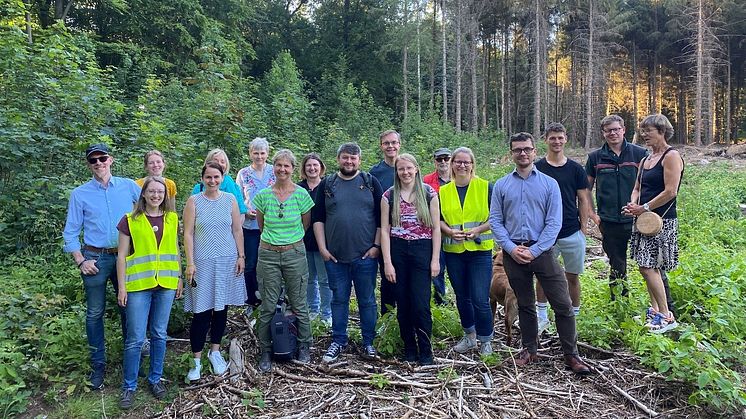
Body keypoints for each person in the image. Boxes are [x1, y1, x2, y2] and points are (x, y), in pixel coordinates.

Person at [489, 132, 590, 375]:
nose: (522, 153)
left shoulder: (548, 184)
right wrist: (512, 249)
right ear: (511, 153)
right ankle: (529, 349)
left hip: (543, 251)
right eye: (517, 150)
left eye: (527, 149)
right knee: (525, 304)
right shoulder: (502, 185)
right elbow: (495, 220)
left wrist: (534, 250)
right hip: (513, 252)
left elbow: (554, 223)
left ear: (535, 151)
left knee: (563, 303)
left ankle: (571, 354)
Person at [62, 143, 140, 390]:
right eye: (93, 160)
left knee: (129, 307)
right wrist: (81, 260)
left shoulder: (129, 186)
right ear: (88, 164)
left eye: (102, 158)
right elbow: (71, 231)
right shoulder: (80, 194)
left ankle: (133, 357)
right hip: (94, 257)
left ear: (111, 159)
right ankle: (98, 364)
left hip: (126, 256)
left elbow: (149, 212)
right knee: (95, 313)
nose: (98, 163)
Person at [585, 116, 675, 312]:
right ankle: (619, 306)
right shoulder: (595, 157)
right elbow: (585, 189)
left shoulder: (639, 154)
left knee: (652, 264)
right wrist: (592, 214)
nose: (613, 133)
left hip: (640, 220)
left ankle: (667, 308)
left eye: (616, 129)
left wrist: (643, 209)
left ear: (624, 130)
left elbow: (657, 186)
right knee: (617, 266)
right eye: (608, 130)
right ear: (603, 133)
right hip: (609, 221)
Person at [115, 176, 182, 409]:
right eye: (151, 191)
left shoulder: (172, 218)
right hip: (139, 286)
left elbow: (175, 250)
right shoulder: (130, 220)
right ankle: (129, 386)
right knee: (135, 339)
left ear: (165, 196)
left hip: (165, 284)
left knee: (159, 334)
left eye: (160, 192)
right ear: (143, 194)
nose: (156, 195)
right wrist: (122, 286)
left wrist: (179, 277)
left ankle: (155, 379)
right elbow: (121, 256)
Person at [313, 143, 383, 362]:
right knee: (339, 300)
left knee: (367, 301)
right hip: (335, 258)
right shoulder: (327, 184)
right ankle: (338, 340)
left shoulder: (370, 183)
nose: (349, 162)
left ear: (359, 161)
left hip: (365, 257)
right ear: (338, 159)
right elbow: (318, 219)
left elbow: (383, 218)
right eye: (345, 158)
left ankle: (369, 342)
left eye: (353, 159)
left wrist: (376, 247)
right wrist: (323, 249)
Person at [183, 162, 247, 381]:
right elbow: (188, 234)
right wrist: (190, 262)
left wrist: (241, 256)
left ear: (222, 178)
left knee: (221, 309)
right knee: (201, 312)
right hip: (202, 262)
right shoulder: (194, 201)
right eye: (208, 177)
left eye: (216, 177)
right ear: (202, 179)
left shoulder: (230, 200)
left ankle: (216, 352)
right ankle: (196, 361)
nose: (212, 181)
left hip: (227, 260)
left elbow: (237, 229)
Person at [254, 150, 315, 372]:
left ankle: (303, 346)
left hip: (294, 253)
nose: (282, 169)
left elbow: (305, 224)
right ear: (273, 167)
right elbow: (262, 225)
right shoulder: (263, 196)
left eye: (286, 166)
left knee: (299, 301)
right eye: (278, 165)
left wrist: (289, 242)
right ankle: (266, 351)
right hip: (268, 254)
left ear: (292, 168)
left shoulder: (301, 195)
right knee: (268, 303)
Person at [623, 114, 683, 333]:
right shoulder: (645, 160)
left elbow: (671, 191)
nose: (644, 134)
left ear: (662, 131)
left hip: (661, 221)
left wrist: (644, 207)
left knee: (650, 267)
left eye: (648, 130)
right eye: (642, 130)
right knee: (644, 266)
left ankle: (666, 316)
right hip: (643, 221)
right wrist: (633, 204)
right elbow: (637, 187)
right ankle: (656, 310)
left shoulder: (671, 156)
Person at [381, 154, 441, 365]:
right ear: (396, 172)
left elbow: (436, 229)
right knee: (403, 303)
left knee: (420, 303)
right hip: (398, 250)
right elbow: (385, 231)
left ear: (416, 169)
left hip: (422, 249)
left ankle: (426, 350)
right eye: (401, 169)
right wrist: (387, 262)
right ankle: (409, 348)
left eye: (409, 168)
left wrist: (435, 260)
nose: (405, 173)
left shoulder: (429, 193)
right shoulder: (389, 196)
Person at [534, 123, 593, 333]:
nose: (557, 142)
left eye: (560, 137)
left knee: (572, 276)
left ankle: (573, 318)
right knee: (543, 276)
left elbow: (583, 199)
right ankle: (541, 316)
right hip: (545, 234)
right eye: (552, 138)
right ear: (546, 140)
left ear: (566, 139)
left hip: (571, 231)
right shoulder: (538, 168)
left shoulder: (576, 169)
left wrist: (583, 229)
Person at [439, 147, 494, 355]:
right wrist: (450, 232)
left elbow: (496, 217)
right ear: (452, 164)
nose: (462, 165)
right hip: (454, 252)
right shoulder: (443, 191)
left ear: (472, 164)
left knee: (480, 298)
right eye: (458, 162)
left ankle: (486, 339)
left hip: (480, 251)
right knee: (462, 297)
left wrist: (478, 229)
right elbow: (439, 220)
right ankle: (469, 336)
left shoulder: (485, 187)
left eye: (466, 162)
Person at [237, 138, 276, 313]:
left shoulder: (275, 172)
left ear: (267, 154)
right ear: (250, 153)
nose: (259, 156)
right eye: (256, 153)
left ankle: (273, 299)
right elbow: (238, 199)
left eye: (262, 153)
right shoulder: (243, 173)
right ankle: (251, 300)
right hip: (250, 225)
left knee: (271, 263)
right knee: (251, 263)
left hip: (272, 226)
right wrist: (245, 210)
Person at [298, 153, 331, 326]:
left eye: (315, 165)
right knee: (309, 278)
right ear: (304, 168)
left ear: (321, 167)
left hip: (323, 240)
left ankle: (327, 313)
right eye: (308, 165)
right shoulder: (298, 188)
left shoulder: (328, 186)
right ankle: (313, 308)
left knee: (325, 279)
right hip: (302, 240)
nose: (312, 168)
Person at [370, 129, 401, 315]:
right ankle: (387, 318)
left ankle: (406, 317)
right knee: (387, 277)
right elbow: (372, 207)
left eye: (394, 142)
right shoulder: (375, 173)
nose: (390, 146)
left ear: (399, 144)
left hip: (408, 234)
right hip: (385, 233)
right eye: (386, 143)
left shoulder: (407, 167)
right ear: (381, 146)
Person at [423, 147, 452, 306]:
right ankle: (440, 301)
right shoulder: (426, 180)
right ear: (434, 161)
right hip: (434, 231)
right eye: (439, 159)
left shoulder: (460, 178)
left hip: (456, 231)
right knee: (437, 266)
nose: (443, 162)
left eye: (446, 158)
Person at [191, 148, 247, 214]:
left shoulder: (232, 185)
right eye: (216, 161)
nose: (219, 164)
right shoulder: (198, 189)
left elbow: (240, 213)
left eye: (222, 162)